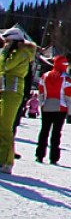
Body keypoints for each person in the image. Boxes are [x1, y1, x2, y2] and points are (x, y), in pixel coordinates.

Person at [1, 27, 38, 175]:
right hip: (4, 90)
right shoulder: (12, 53)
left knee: (5, 127)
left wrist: (4, 53)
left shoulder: (21, 54)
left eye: (7, 41)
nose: (5, 44)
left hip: (12, 92)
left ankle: (5, 161)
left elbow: (5, 66)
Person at [36, 55, 71, 165]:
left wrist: (41, 105)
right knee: (56, 133)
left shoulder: (45, 76)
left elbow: (41, 93)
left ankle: (39, 154)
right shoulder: (66, 78)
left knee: (44, 131)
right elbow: (69, 96)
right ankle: (53, 157)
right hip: (60, 108)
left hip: (46, 107)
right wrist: (70, 112)